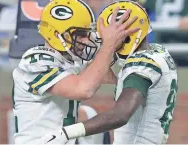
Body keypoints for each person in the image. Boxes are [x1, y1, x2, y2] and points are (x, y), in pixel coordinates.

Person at [12, 0, 139, 144]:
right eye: (80, 34)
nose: (86, 40)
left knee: (91, 116)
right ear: (56, 34)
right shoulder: (35, 61)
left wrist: (113, 42)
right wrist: (108, 44)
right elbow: (84, 89)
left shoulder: (71, 58)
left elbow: (108, 76)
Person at [53, 1, 178, 144]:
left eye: (111, 36)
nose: (105, 42)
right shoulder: (159, 52)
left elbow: (120, 115)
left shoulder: (141, 64)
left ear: (126, 36)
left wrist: (67, 132)